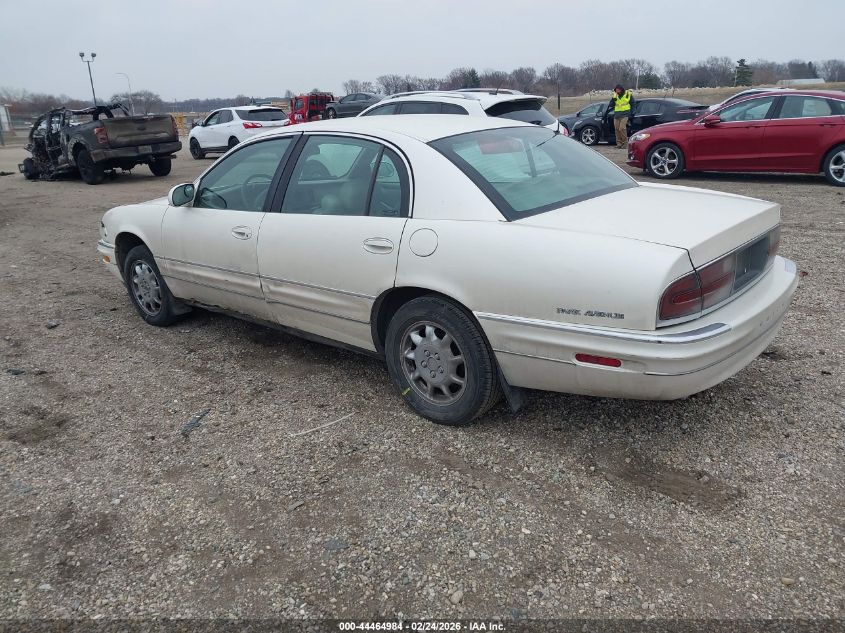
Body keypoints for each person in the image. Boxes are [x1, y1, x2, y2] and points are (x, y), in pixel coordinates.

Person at [608, 84, 634, 149]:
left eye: (618, 90)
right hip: (617, 115)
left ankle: (625, 144)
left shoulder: (628, 94)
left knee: (622, 128)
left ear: (621, 89)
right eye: (616, 90)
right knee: (617, 129)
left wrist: (632, 113)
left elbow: (633, 103)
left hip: (625, 114)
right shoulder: (615, 95)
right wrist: (614, 99)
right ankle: (619, 144)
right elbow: (610, 105)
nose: (617, 91)